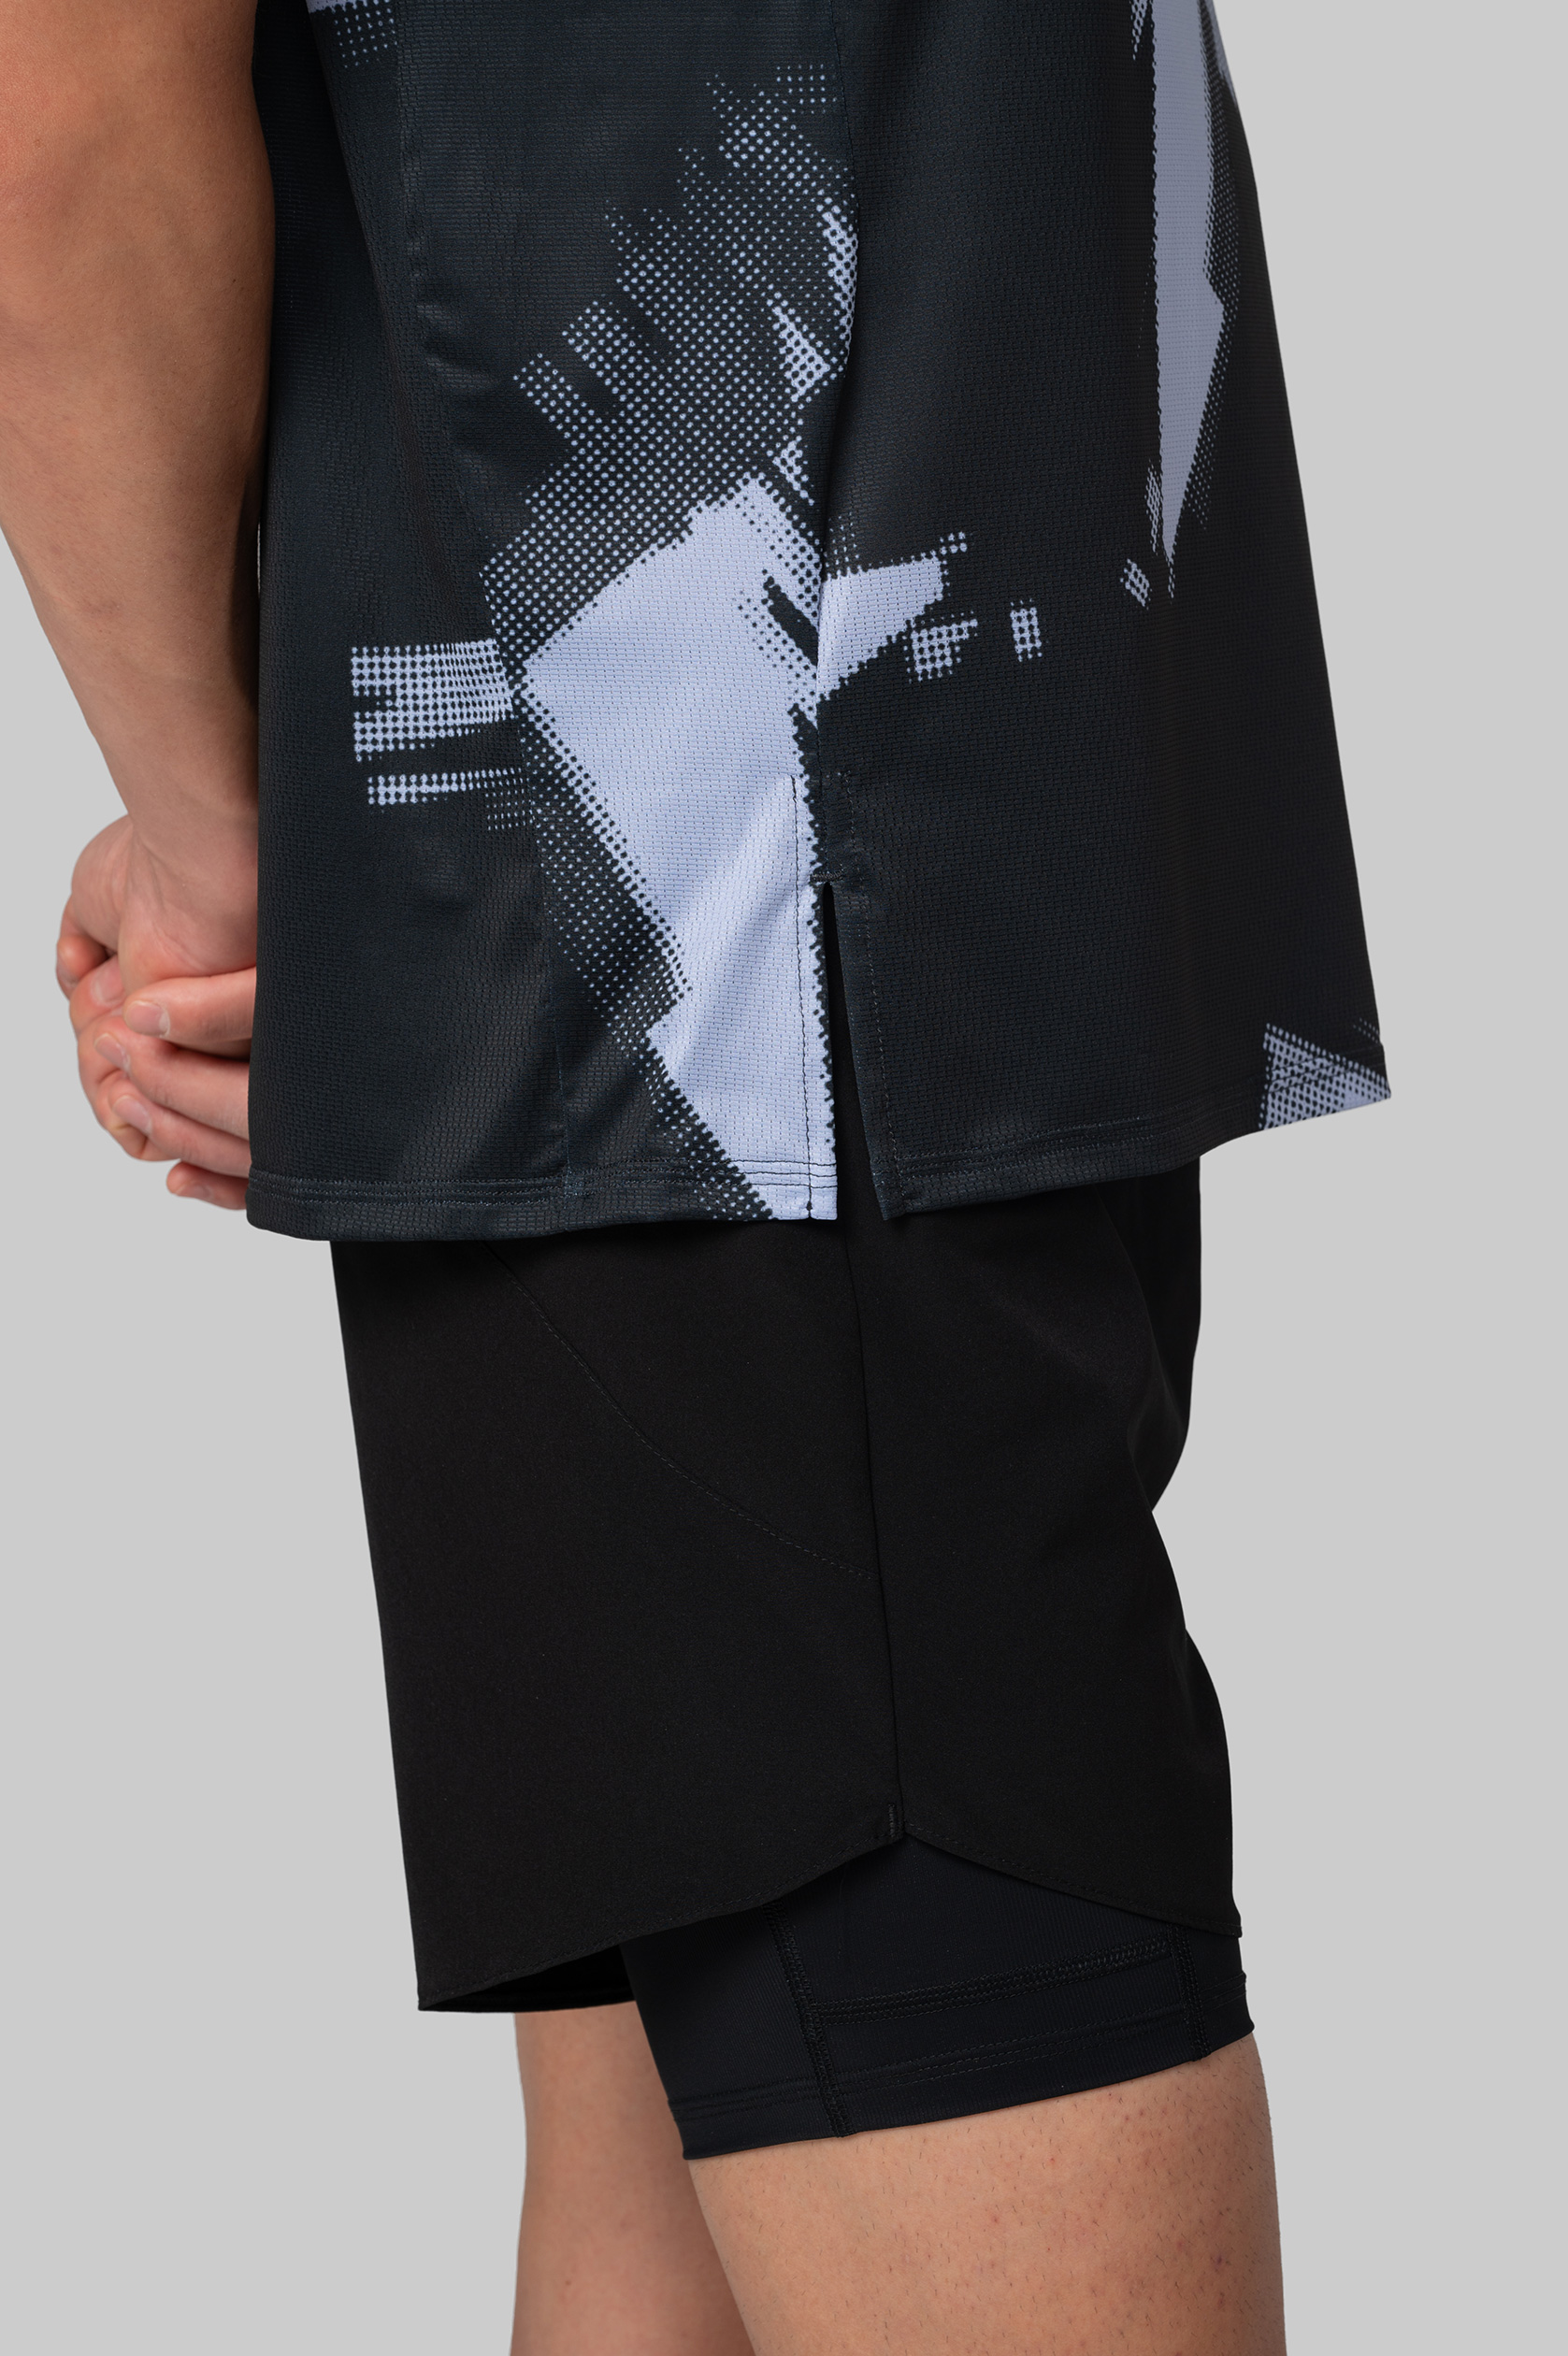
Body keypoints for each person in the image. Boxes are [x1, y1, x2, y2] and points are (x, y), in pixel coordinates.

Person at [2, 3, 1387, 2348]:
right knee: (928, 1903)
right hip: (750, 933)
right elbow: (64, 90)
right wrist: (228, 838)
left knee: (707, 2089)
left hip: (844, 863)